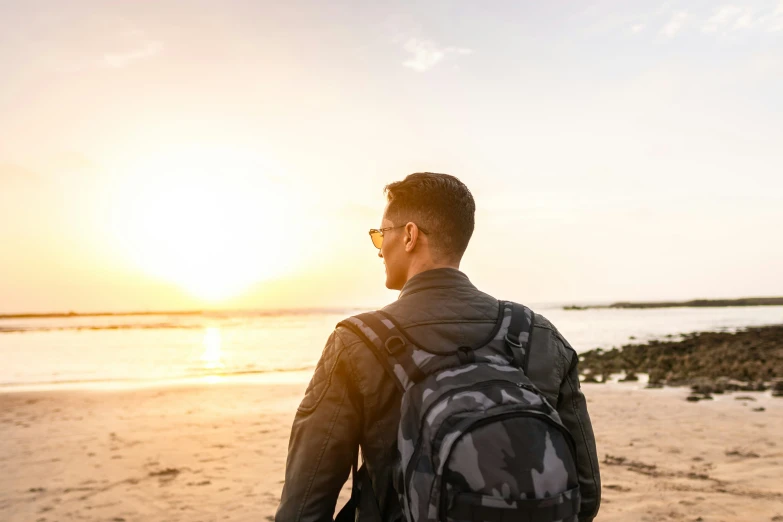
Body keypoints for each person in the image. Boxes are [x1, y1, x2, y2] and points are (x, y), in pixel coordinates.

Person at [275, 172, 601, 522]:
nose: (379, 248)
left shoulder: (357, 342)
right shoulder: (538, 335)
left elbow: (303, 507)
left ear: (410, 236)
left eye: (381, 234)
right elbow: (585, 494)